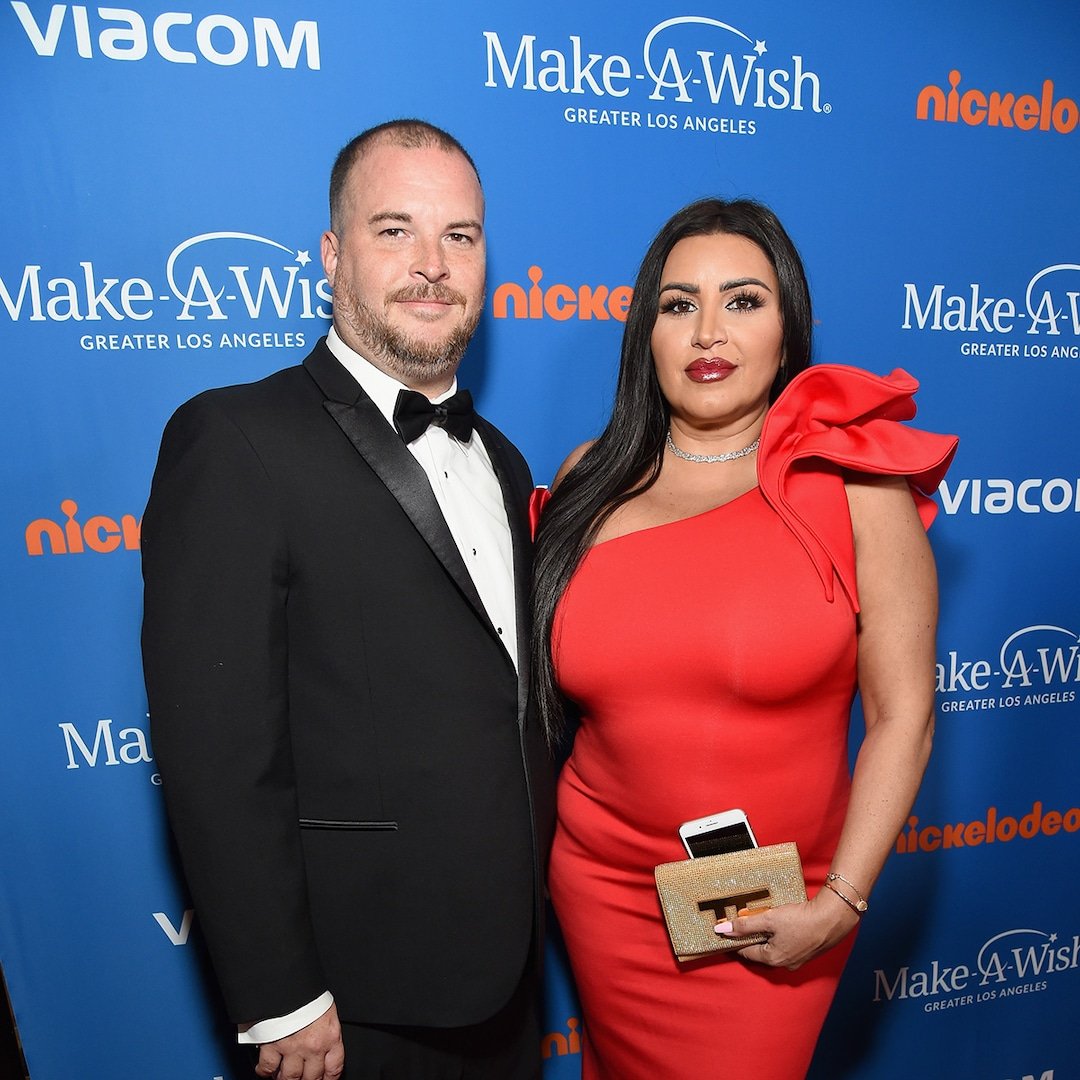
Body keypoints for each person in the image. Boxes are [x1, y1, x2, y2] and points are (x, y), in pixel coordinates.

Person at [142, 119, 554, 1080]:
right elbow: (217, 750)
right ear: (332, 255)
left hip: (509, 978)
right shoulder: (236, 439)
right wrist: (279, 994)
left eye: (460, 235)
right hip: (348, 1000)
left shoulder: (503, 461)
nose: (432, 265)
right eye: (394, 229)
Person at [531, 198, 957, 1079]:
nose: (708, 332)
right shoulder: (589, 478)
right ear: (647, 333)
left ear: (787, 326)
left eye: (743, 301)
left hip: (774, 908)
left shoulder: (854, 486)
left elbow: (905, 718)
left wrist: (840, 904)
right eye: (678, 304)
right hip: (601, 885)